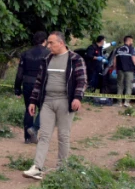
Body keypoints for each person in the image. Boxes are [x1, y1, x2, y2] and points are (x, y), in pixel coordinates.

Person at [23, 31, 87, 180]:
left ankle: (62, 168)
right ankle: (37, 167)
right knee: (44, 135)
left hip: (65, 102)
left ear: (61, 43)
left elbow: (82, 80)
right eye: (48, 43)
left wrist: (77, 97)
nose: (48, 45)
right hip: (47, 102)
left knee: (63, 136)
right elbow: (39, 82)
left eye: (51, 43)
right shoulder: (47, 59)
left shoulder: (75, 59)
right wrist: (33, 101)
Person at [13, 31, 48, 143]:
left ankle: (27, 138)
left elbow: (19, 73)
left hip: (27, 83)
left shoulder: (25, 53)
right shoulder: (49, 53)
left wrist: (17, 88)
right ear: (45, 41)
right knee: (45, 109)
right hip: (42, 85)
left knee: (29, 109)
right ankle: (35, 131)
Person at [112, 35, 135, 106]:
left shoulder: (118, 49)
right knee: (128, 86)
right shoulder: (131, 49)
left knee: (120, 86)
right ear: (129, 40)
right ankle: (126, 102)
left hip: (120, 70)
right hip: (129, 70)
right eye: (132, 41)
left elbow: (114, 60)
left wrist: (114, 69)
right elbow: (134, 59)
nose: (132, 42)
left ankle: (119, 103)